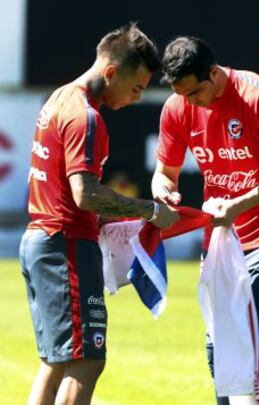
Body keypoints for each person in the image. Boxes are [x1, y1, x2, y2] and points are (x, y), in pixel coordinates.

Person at [19, 23, 179, 405]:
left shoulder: (59, 98)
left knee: (55, 364)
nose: (137, 98)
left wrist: (123, 220)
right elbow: (85, 195)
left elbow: (68, 190)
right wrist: (150, 210)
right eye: (137, 87)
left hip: (41, 240)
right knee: (87, 362)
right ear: (111, 73)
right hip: (65, 248)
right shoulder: (86, 117)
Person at [152, 36, 259, 405]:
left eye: (194, 93)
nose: (189, 102)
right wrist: (164, 191)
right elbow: (163, 173)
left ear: (213, 72)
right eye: (181, 94)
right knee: (218, 343)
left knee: (258, 340)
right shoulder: (177, 107)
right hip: (221, 239)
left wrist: (242, 202)